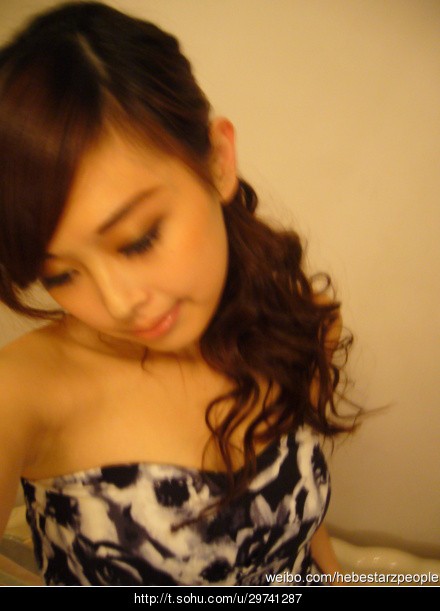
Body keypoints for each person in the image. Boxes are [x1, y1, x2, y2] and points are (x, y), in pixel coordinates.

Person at [0, 1, 356, 586]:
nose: (118, 303)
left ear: (217, 162)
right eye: (60, 275)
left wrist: (336, 575)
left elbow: (297, 513)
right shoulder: (22, 393)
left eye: (139, 240)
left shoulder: (298, 319)